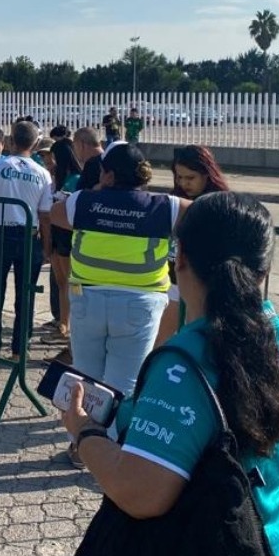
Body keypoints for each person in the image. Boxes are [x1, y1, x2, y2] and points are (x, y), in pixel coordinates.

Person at [62, 191, 279, 556]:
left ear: (179, 256)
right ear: (265, 267)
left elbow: (141, 492)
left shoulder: (182, 366)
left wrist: (83, 430)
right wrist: (266, 491)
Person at [51, 143, 186, 406]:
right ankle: (111, 442)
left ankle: (81, 439)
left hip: (87, 300)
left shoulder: (84, 202)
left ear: (109, 174)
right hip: (139, 304)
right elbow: (201, 213)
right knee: (123, 385)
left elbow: (55, 214)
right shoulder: (164, 207)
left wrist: (97, 193)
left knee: (84, 376)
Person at [0, 121, 52, 356]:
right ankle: (20, 348)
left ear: (10, 141)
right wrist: (47, 246)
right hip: (29, 236)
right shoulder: (42, 173)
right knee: (26, 293)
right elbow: (45, 214)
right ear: (36, 143)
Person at [155, 145, 231, 346]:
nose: (183, 183)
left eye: (190, 178)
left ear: (207, 175)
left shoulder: (220, 203)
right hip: (172, 279)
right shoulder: (176, 199)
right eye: (179, 177)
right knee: (159, 342)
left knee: (196, 340)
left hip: (202, 282)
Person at [46, 137, 81, 343]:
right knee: (61, 282)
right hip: (56, 234)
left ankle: (68, 326)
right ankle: (62, 322)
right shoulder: (58, 177)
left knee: (69, 282)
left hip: (68, 235)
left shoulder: (76, 178)